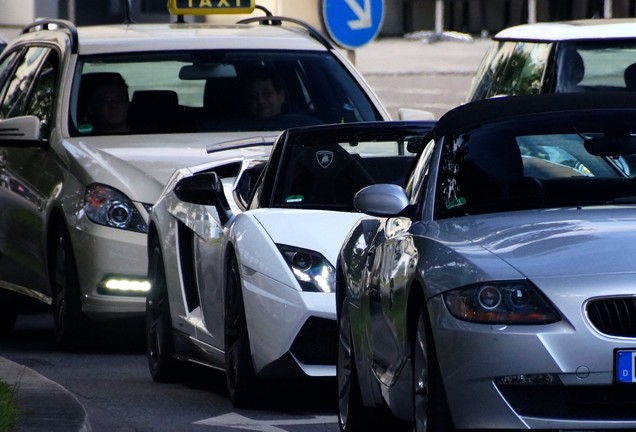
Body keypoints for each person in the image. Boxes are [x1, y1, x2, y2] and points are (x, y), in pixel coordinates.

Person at [241, 67, 322, 129]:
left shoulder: (308, 126)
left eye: (267, 94)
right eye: (253, 96)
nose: (260, 101)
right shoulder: (237, 130)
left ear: (281, 96)